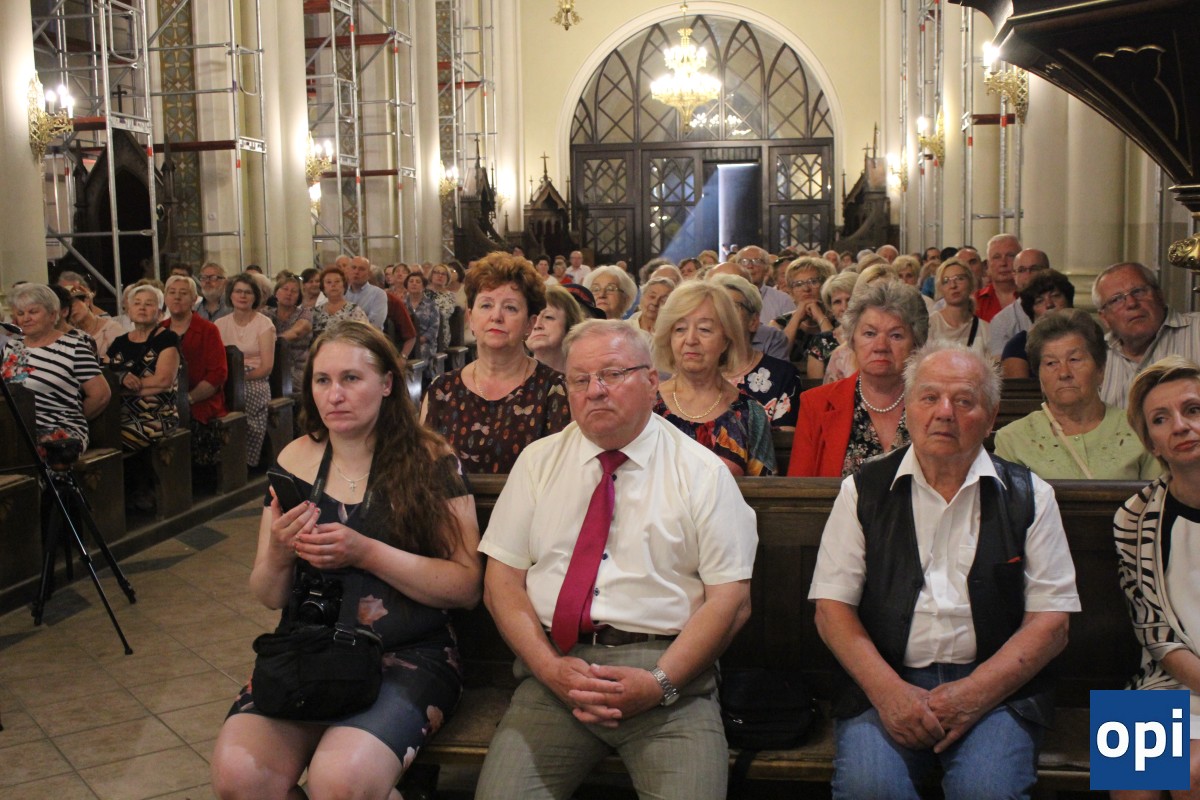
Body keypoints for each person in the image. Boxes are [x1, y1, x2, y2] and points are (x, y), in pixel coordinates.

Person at [475, 319, 756, 800]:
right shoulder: (539, 463)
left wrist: (659, 682)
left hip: (670, 679)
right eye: (580, 379)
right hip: (555, 672)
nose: (595, 390)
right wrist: (548, 669)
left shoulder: (702, 472)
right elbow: (501, 584)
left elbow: (730, 601)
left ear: (650, 382)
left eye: (611, 374)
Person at [210, 321, 482, 799]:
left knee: (340, 781)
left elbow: (465, 586)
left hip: (406, 653)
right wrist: (279, 551)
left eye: (351, 378)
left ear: (387, 383)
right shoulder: (295, 460)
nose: (334, 394)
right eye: (322, 380)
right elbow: (268, 594)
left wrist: (367, 552)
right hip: (311, 651)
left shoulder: (429, 459)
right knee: (240, 777)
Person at [810, 342, 1080, 800]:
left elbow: (1051, 623)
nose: (945, 413)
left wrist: (974, 693)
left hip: (997, 687)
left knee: (986, 792)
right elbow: (831, 609)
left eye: (964, 400)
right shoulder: (863, 491)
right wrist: (889, 693)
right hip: (887, 677)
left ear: (991, 417)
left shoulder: (1029, 495)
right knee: (870, 789)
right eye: (929, 397)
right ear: (908, 408)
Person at [1114, 356, 1200, 800]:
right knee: (1127, 775)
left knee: (1190, 774)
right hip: (1165, 677)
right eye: (1161, 420)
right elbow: (1153, 631)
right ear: (1152, 444)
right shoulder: (1133, 518)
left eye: (1193, 410)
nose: (1181, 426)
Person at [422, 252, 571, 474]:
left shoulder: (556, 389)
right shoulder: (442, 390)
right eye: (486, 305)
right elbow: (421, 473)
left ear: (530, 324)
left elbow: (563, 474)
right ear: (471, 318)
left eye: (510, 308)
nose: (496, 316)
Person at [994, 309, 1158, 480]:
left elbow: (1158, 495)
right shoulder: (1012, 439)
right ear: (1040, 376)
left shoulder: (1139, 429)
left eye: (1074, 359)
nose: (1064, 373)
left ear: (1100, 370)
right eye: (1051, 363)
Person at [789, 281, 928, 477]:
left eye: (896, 336)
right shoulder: (816, 404)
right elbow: (799, 488)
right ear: (852, 340)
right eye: (869, 334)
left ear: (916, 343)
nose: (881, 346)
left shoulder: (937, 404)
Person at [652, 281, 775, 476]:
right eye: (680, 329)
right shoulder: (646, 405)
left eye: (704, 329)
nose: (690, 340)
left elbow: (766, 490)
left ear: (726, 340)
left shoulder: (750, 414)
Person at [1, 283, 111, 454]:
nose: (25, 318)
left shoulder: (73, 346)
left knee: (31, 452)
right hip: (16, 428)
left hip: (59, 429)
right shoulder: (11, 347)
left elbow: (101, 395)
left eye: (33, 312)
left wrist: (71, 418)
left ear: (53, 315)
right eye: (20, 313)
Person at [1094, 262, 1200, 408]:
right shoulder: (1096, 354)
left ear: (1160, 295)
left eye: (1138, 291)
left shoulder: (1196, 330)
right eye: (1116, 299)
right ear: (1104, 317)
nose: (1131, 303)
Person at [162, 275, 229, 468]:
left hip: (200, 401)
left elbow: (217, 374)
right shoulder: (160, 330)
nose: (177, 297)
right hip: (165, 400)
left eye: (183, 293)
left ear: (193, 299)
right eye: (172, 292)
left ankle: (185, 476)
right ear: (165, 298)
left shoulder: (208, 330)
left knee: (181, 421)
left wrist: (187, 400)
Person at [107, 284, 180, 452]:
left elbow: (163, 381)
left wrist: (121, 389)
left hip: (156, 416)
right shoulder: (119, 342)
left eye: (149, 304)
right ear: (129, 311)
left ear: (160, 313)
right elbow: (105, 373)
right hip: (117, 414)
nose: (142, 307)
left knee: (112, 441)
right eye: (137, 303)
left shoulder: (168, 338)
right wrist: (122, 377)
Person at [215, 273, 276, 467]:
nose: (242, 296)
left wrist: (240, 380)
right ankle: (219, 459)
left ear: (255, 297)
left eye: (248, 292)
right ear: (230, 295)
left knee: (244, 397)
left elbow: (266, 367)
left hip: (254, 379)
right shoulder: (219, 324)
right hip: (226, 378)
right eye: (238, 291)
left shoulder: (264, 324)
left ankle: (244, 460)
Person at [999, 269, 1074, 378]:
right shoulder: (1018, 346)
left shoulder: (1088, 337)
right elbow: (1019, 388)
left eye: (1055, 296)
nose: (1049, 304)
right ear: (1031, 312)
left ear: (1068, 301)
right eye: (1040, 301)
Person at [772, 256, 836, 363]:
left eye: (813, 282)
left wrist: (820, 317)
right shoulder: (778, 323)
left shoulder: (839, 321)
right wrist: (796, 318)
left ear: (825, 285)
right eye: (798, 284)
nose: (806, 289)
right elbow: (777, 357)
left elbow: (838, 357)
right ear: (791, 291)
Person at [988, 249, 1050, 355]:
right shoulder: (1002, 321)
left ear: (1048, 271)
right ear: (1014, 275)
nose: (1028, 275)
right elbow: (999, 362)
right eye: (1021, 270)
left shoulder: (1060, 308)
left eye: (1034, 269)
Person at [929, 258, 991, 360]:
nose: (953, 285)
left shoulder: (985, 329)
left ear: (971, 283)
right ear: (940, 288)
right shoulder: (930, 326)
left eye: (959, 278)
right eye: (946, 281)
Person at [263, 274, 314, 393]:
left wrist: (270, 341)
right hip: (271, 366)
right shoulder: (267, 313)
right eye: (285, 289)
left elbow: (297, 332)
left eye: (294, 291)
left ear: (299, 296)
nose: (289, 293)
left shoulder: (305, 313)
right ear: (276, 293)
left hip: (297, 367)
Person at [805, 271, 859, 380]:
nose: (844, 307)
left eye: (850, 300)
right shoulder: (821, 342)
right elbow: (816, 387)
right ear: (831, 308)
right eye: (837, 302)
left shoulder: (875, 337)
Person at [527, 284, 586, 374]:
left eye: (548, 317)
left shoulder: (587, 376)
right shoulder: (510, 377)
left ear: (570, 324)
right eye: (532, 318)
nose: (537, 325)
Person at [736, 245, 794, 322]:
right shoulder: (726, 298)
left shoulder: (783, 300)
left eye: (756, 261)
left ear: (766, 268)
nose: (750, 266)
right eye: (744, 261)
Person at [66, 285, 124, 359]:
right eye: (66, 307)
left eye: (73, 304)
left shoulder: (112, 328)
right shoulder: (70, 335)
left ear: (86, 301)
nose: (71, 310)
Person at [973, 234, 1021, 322]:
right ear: (988, 264)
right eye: (996, 257)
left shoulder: (1034, 297)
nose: (1003, 263)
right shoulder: (975, 301)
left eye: (1010, 256)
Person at [313, 265, 369, 336]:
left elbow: (364, 335)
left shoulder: (354, 310)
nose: (333, 285)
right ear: (323, 287)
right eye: (328, 282)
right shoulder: (316, 312)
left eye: (337, 281)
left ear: (344, 286)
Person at [343, 255, 388, 330]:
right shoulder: (342, 292)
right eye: (353, 268)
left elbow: (375, 323)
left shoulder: (378, 294)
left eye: (361, 269)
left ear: (369, 274)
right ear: (348, 271)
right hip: (343, 334)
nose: (356, 272)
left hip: (368, 334)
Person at [429, 263, 458, 352]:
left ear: (448, 278)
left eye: (443, 274)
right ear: (431, 275)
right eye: (437, 272)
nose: (440, 276)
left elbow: (443, 314)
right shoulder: (424, 293)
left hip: (440, 334)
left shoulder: (450, 296)